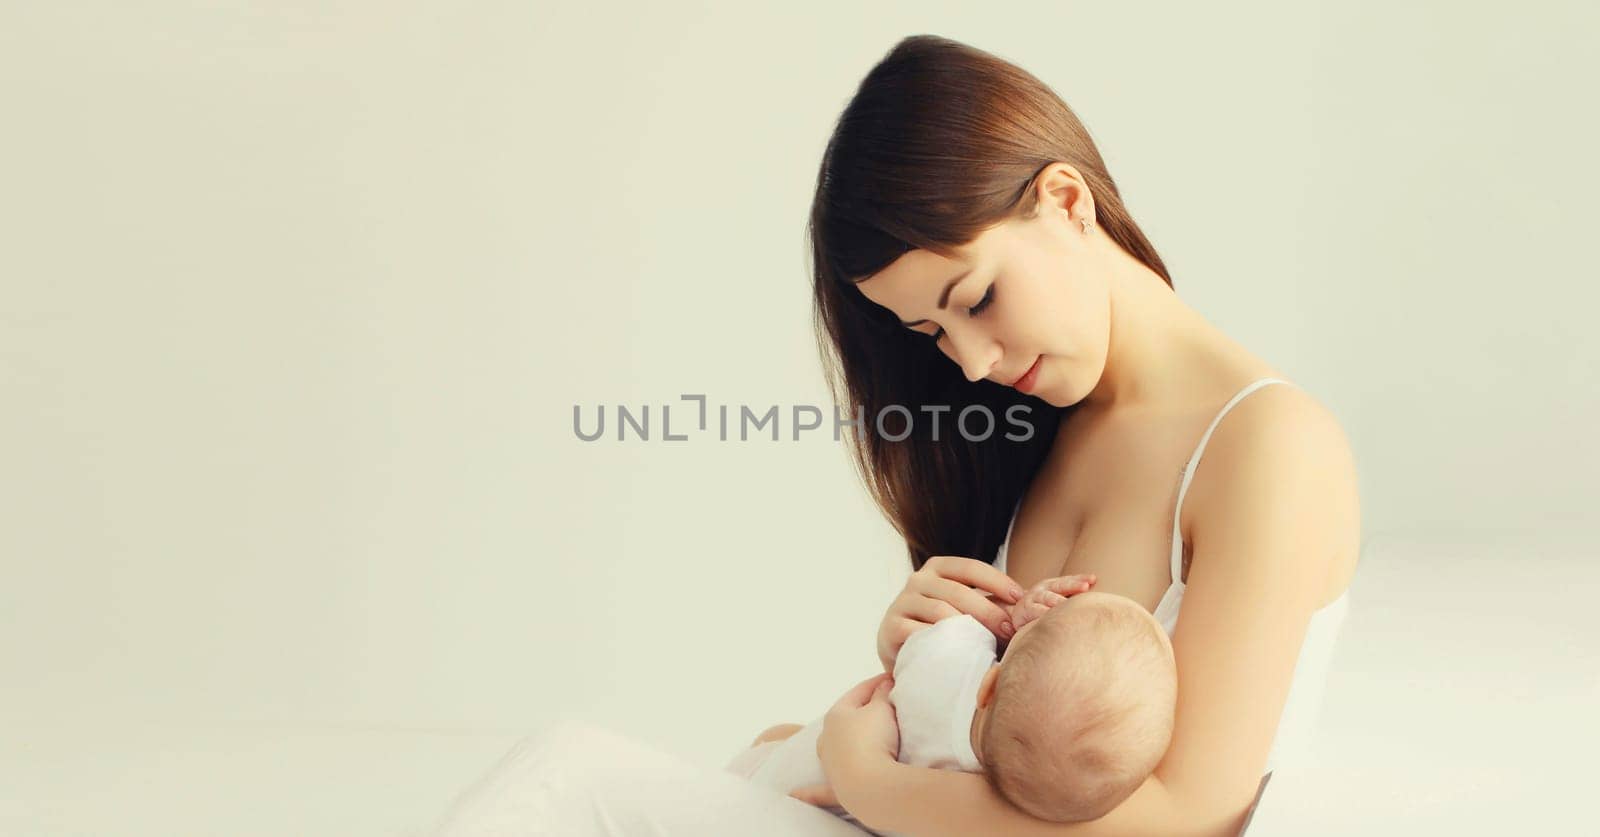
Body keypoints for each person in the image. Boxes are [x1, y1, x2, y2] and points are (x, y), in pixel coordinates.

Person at [429, 32, 1359, 837]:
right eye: (933, 334)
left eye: (977, 300)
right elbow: (1001, 755)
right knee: (733, 755)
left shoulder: (1271, 447)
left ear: (1068, 202)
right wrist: (921, 653)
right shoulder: (1055, 427)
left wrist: (870, 778)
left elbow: (1186, 817)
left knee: (565, 774)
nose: (971, 362)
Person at [729, 586, 1178, 834]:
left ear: (990, 682)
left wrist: (1012, 617)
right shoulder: (977, 797)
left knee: (771, 737)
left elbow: (939, 630)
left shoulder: (950, 658)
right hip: (821, 816)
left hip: (774, 781)